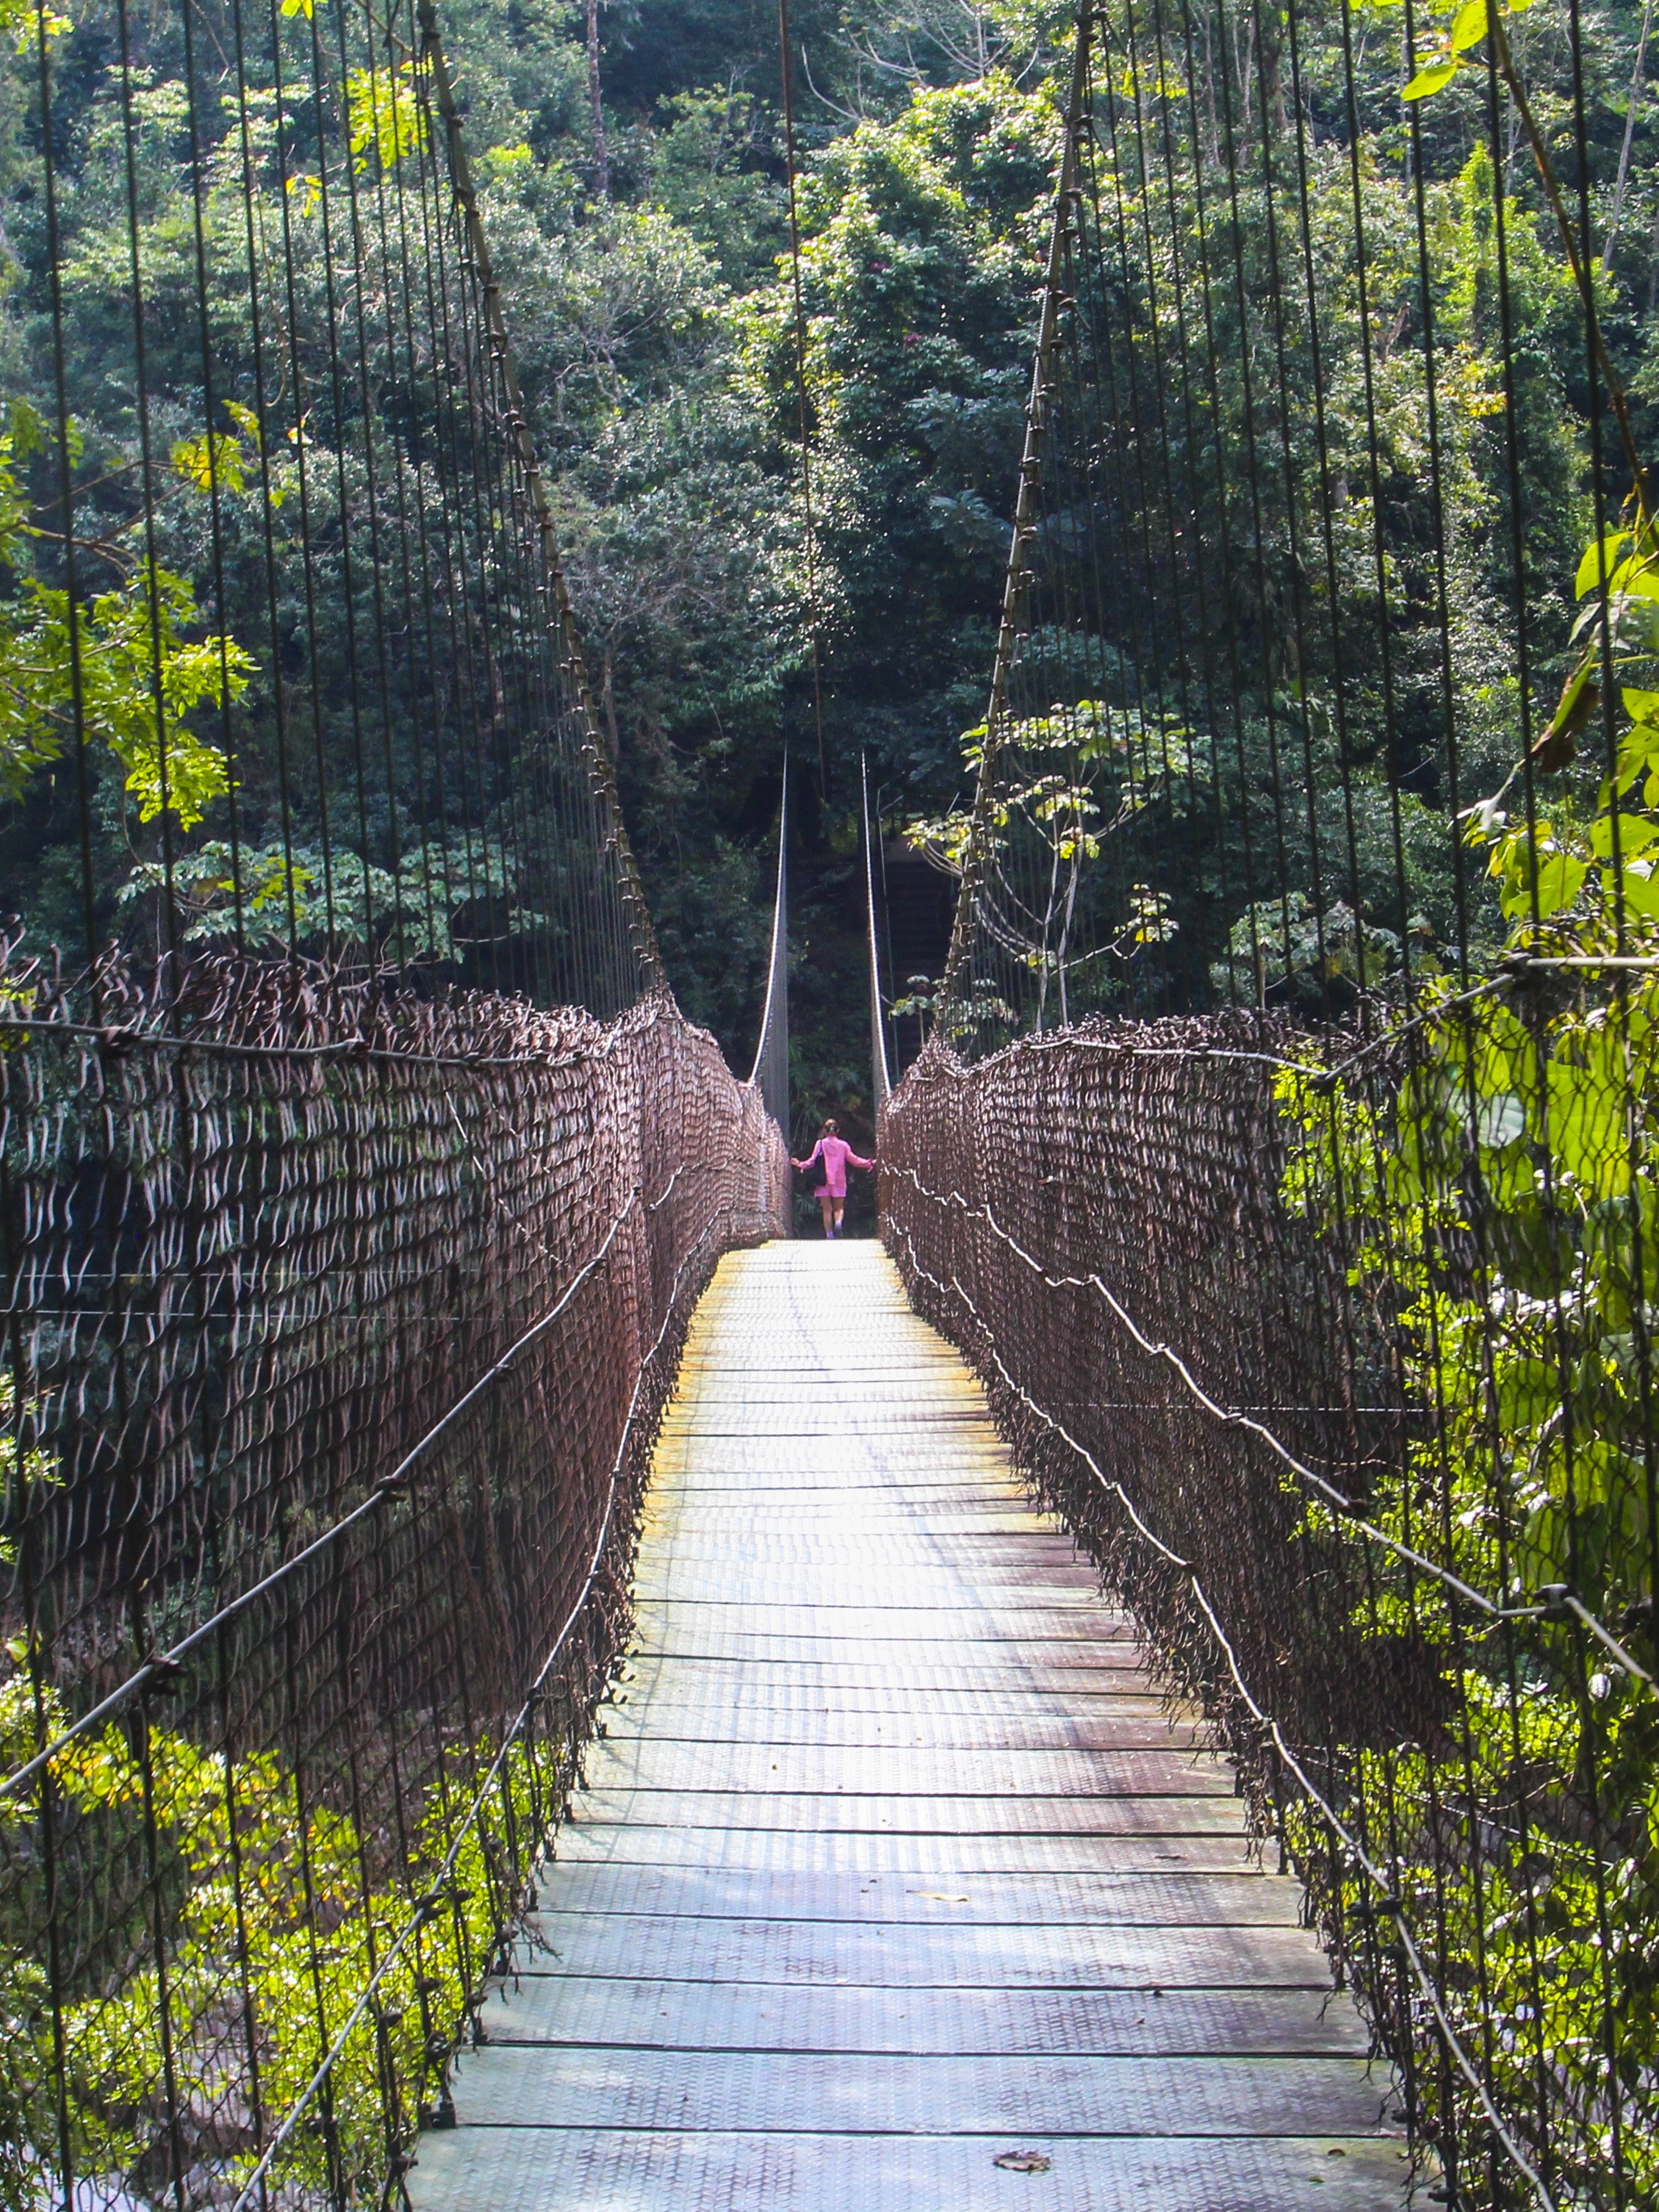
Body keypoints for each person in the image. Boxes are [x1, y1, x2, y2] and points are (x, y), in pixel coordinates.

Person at [791, 1117, 874, 1240]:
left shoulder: (820, 1144)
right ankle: (839, 1223)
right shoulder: (843, 1145)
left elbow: (812, 1161)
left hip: (822, 1180)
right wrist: (869, 1163)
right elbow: (854, 1160)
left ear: (824, 1131)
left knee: (827, 1209)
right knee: (839, 1207)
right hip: (839, 1179)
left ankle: (829, 1235)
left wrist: (799, 1164)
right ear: (838, 1130)